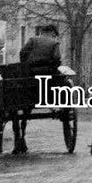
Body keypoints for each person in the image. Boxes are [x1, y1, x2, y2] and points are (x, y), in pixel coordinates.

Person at [12, 25, 61, 154]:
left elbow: (23, 53)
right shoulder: (54, 43)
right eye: (55, 34)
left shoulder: (33, 40)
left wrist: (26, 65)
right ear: (52, 33)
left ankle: (19, 139)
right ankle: (52, 100)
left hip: (30, 74)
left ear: (41, 32)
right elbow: (57, 58)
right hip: (47, 75)